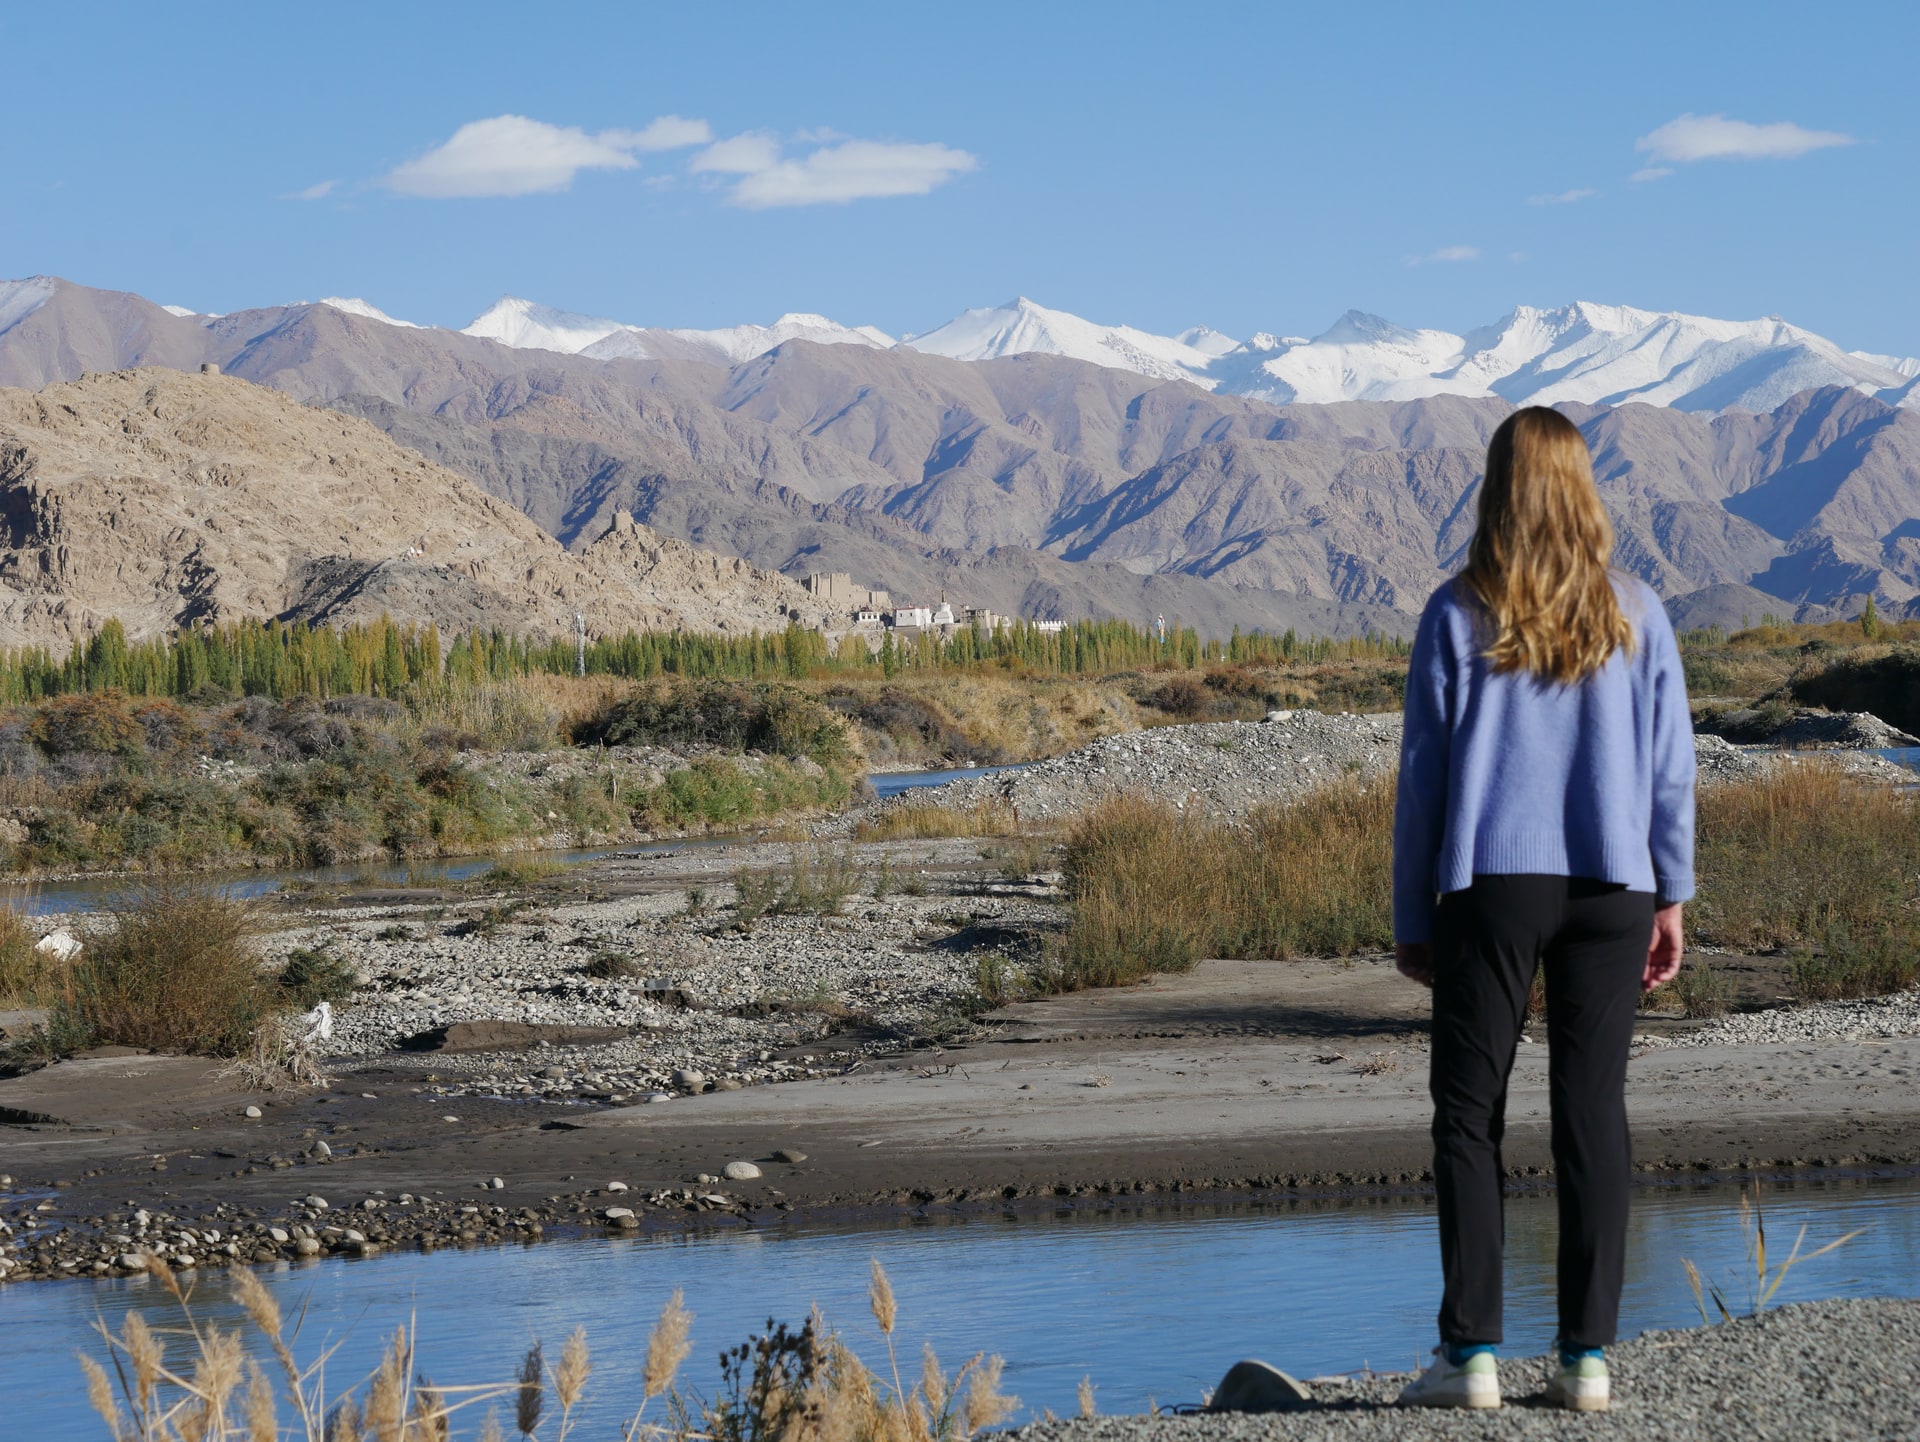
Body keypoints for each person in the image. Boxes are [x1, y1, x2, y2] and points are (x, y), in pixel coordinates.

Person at [1391, 406, 1694, 1413]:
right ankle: (1586, 1360)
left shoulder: (1455, 612)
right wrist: (1672, 893)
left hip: (1492, 886)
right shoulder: (1638, 611)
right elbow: (1671, 770)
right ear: (1584, 488)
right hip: (1616, 886)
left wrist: (1413, 912)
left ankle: (1470, 1355)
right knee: (1591, 1111)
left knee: (1467, 1114)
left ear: (1496, 489)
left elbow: (1423, 782)